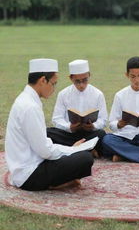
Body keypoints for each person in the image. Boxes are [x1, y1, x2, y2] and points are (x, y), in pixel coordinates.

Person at [5, 58, 94, 191]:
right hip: (29, 175)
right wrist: (72, 150)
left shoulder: (26, 99)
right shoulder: (30, 107)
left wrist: (69, 149)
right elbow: (45, 151)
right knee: (85, 158)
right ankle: (54, 184)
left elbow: (42, 145)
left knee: (73, 152)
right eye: (53, 83)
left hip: (31, 164)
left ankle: (60, 179)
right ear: (42, 80)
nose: (54, 88)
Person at [47, 59, 108, 158]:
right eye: (77, 81)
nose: (81, 85)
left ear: (89, 75)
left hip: (89, 134)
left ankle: (73, 149)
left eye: (85, 80)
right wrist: (69, 127)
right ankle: (87, 149)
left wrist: (93, 126)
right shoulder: (63, 94)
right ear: (71, 78)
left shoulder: (98, 94)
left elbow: (103, 119)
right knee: (48, 132)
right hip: (68, 134)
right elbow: (56, 119)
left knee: (102, 134)